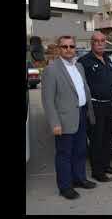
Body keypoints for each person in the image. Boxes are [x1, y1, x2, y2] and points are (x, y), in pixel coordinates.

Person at [41, 35, 97, 200]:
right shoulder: (51, 70)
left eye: (71, 46)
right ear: (59, 48)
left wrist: (89, 112)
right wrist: (54, 123)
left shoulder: (79, 66)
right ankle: (65, 187)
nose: (68, 50)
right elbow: (48, 100)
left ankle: (79, 179)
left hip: (81, 114)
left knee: (80, 150)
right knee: (64, 154)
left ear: (75, 48)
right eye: (64, 47)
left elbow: (84, 90)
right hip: (63, 119)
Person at [78, 31, 112, 183]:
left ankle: (106, 165)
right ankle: (97, 172)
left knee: (109, 138)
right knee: (97, 140)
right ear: (92, 43)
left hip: (110, 105)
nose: (100, 43)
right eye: (97, 41)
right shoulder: (84, 61)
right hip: (95, 107)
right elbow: (81, 87)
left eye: (103, 40)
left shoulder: (108, 59)